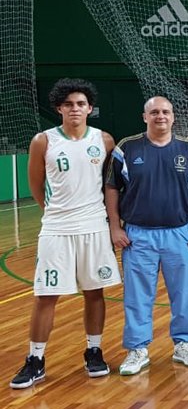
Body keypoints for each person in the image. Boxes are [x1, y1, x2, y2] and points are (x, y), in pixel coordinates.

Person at [10, 79, 121, 389]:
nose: (75, 109)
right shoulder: (43, 141)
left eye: (81, 104)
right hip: (57, 228)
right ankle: (35, 359)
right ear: (59, 108)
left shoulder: (104, 140)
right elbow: (36, 184)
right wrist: (53, 212)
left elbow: (110, 184)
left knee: (94, 292)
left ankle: (94, 351)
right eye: (69, 104)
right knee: (45, 295)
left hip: (94, 226)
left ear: (90, 108)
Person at [105, 96, 188, 375]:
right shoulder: (127, 148)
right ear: (145, 117)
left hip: (180, 233)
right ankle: (137, 348)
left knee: (184, 292)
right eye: (154, 112)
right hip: (138, 235)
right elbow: (112, 187)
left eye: (165, 112)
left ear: (173, 117)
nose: (160, 116)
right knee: (137, 295)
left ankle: (185, 343)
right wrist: (115, 226)